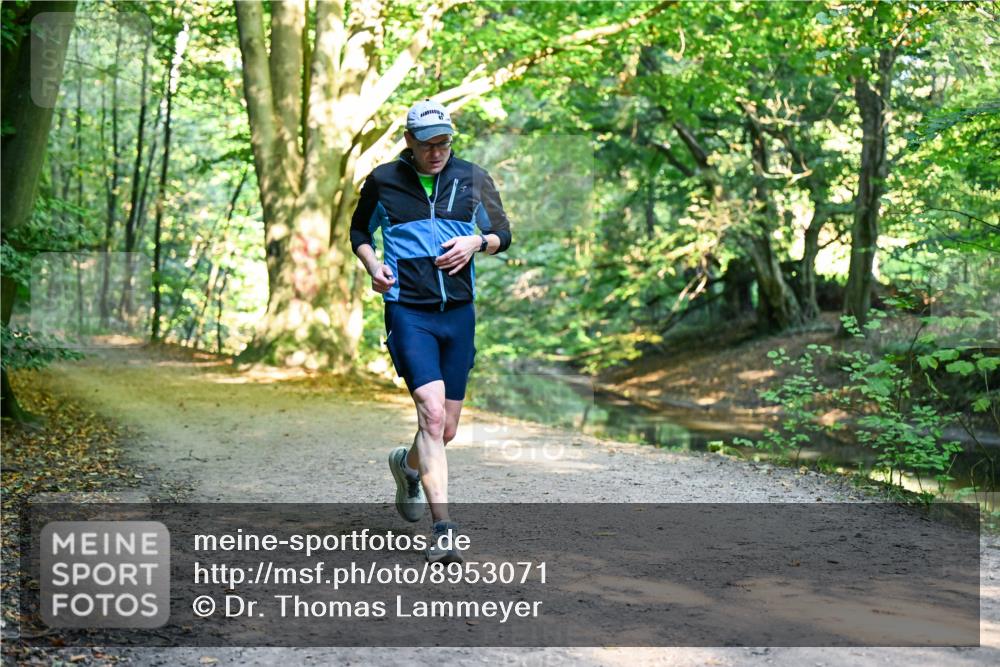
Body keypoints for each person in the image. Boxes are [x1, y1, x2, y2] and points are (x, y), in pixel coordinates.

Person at [349, 100, 512, 564]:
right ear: (409, 143)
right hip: (408, 311)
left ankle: (407, 466)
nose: (437, 152)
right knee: (433, 416)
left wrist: (477, 241)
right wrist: (374, 266)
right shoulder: (384, 180)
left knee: (448, 429)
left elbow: (503, 233)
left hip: (458, 312)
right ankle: (443, 529)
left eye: (444, 143)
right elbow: (359, 231)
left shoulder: (474, 178)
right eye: (428, 145)